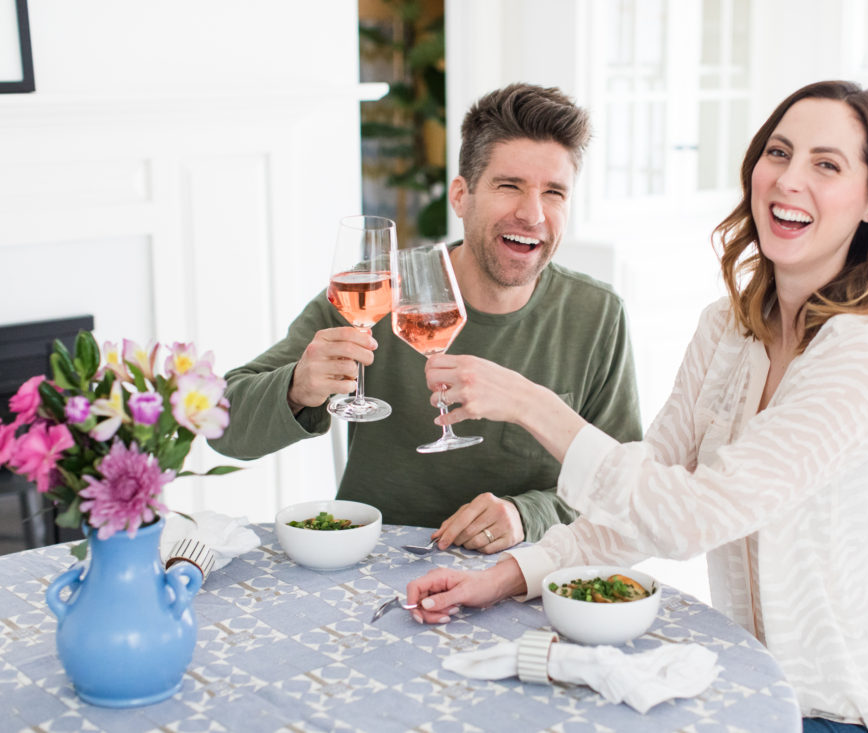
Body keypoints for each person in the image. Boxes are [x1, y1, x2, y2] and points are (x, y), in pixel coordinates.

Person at [405, 80, 868, 732]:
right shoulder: (727, 328)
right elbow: (641, 501)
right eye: (778, 153)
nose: (788, 180)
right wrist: (508, 574)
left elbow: (694, 516)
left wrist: (536, 406)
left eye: (826, 165)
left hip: (856, 711)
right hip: (749, 684)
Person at [209, 83, 642, 553]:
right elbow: (223, 426)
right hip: (375, 570)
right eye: (509, 185)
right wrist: (296, 387)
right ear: (461, 196)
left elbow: (625, 489)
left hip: (522, 575)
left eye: (554, 192)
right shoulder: (374, 292)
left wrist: (528, 514)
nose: (532, 213)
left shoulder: (597, 314)